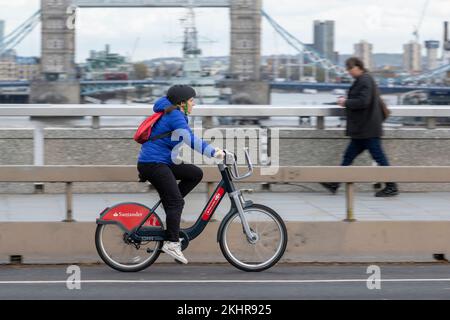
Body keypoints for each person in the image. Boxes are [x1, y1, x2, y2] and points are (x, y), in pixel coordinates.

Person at [137, 85, 225, 264]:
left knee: (194, 174)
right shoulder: (175, 114)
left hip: (163, 162)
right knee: (177, 201)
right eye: (192, 101)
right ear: (182, 103)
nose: (194, 104)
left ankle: (169, 207)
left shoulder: (173, 111)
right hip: (153, 164)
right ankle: (171, 242)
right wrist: (212, 151)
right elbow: (189, 138)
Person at [321, 57, 399, 197]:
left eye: (351, 69)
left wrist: (345, 102)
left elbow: (364, 102)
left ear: (358, 67)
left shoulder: (365, 80)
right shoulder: (363, 80)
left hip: (367, 129)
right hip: (363, 129)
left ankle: (392, 186)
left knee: (380, 158)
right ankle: (335, 183)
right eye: (348, 69)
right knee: (348, 157)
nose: (349, 72)